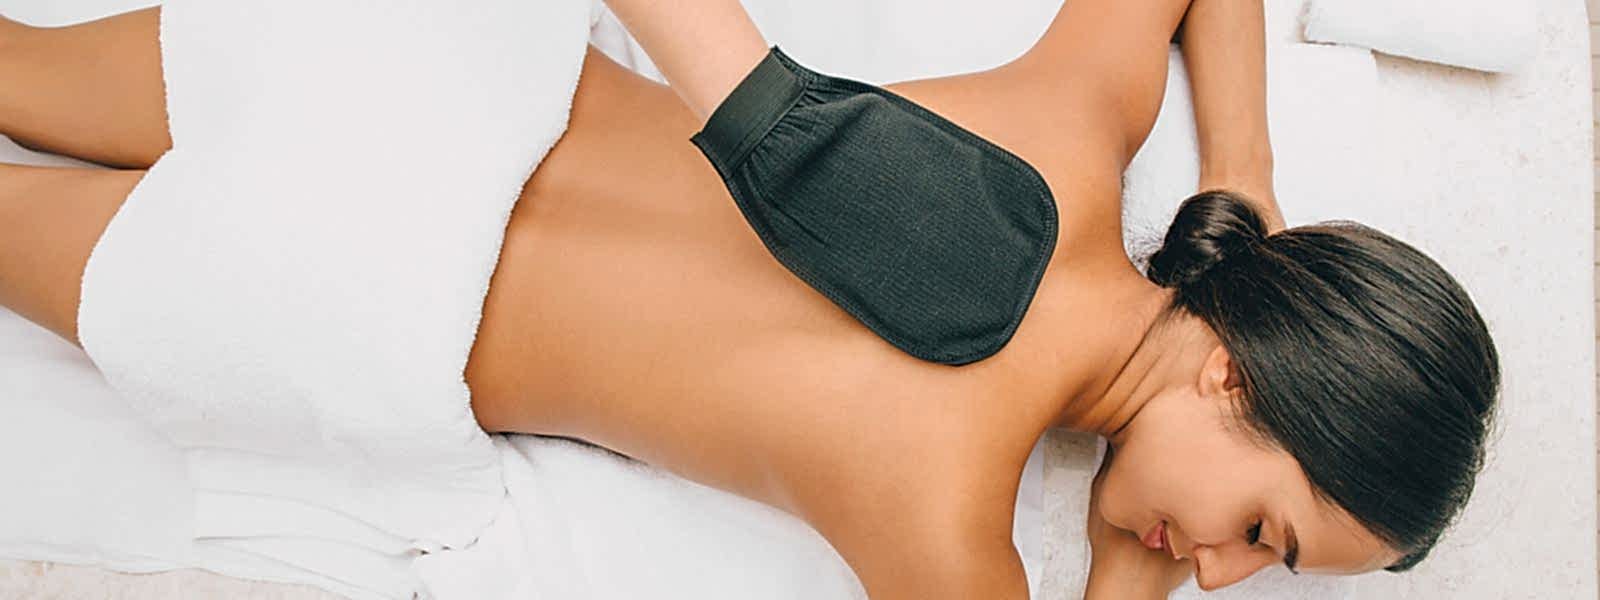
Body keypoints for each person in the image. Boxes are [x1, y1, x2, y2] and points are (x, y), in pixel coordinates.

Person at [0, 0, 1498, 597]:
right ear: (1241, 380)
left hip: (421, 88)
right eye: (1262, 534)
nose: (1216, 579)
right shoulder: (943, 519)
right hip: (328, 298)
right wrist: (1126, 575)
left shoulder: (1069, 126)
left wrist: (1240, 172)